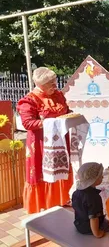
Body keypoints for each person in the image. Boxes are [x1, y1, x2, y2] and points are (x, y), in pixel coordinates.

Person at [17, 67, 73, 214]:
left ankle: (61, 199)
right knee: (42, 172)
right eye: (51, 83)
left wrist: (72, 116)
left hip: (60, 141)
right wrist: (50, 122)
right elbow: (28, 123)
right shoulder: (29, 100)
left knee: (61, 169)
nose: (55, 85)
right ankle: (45, 204)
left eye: (55, 81)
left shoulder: (58, 95)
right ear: (40, 85)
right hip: (41, 145)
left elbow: (66, 111)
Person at [72, 162, 109, 238]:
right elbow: (94, 218)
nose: (102, 177)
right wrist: (97, 233)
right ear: (93, 180)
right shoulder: (93, 197)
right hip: (90, 228)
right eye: (100, 176)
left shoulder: (76, 192)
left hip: (79, 224)